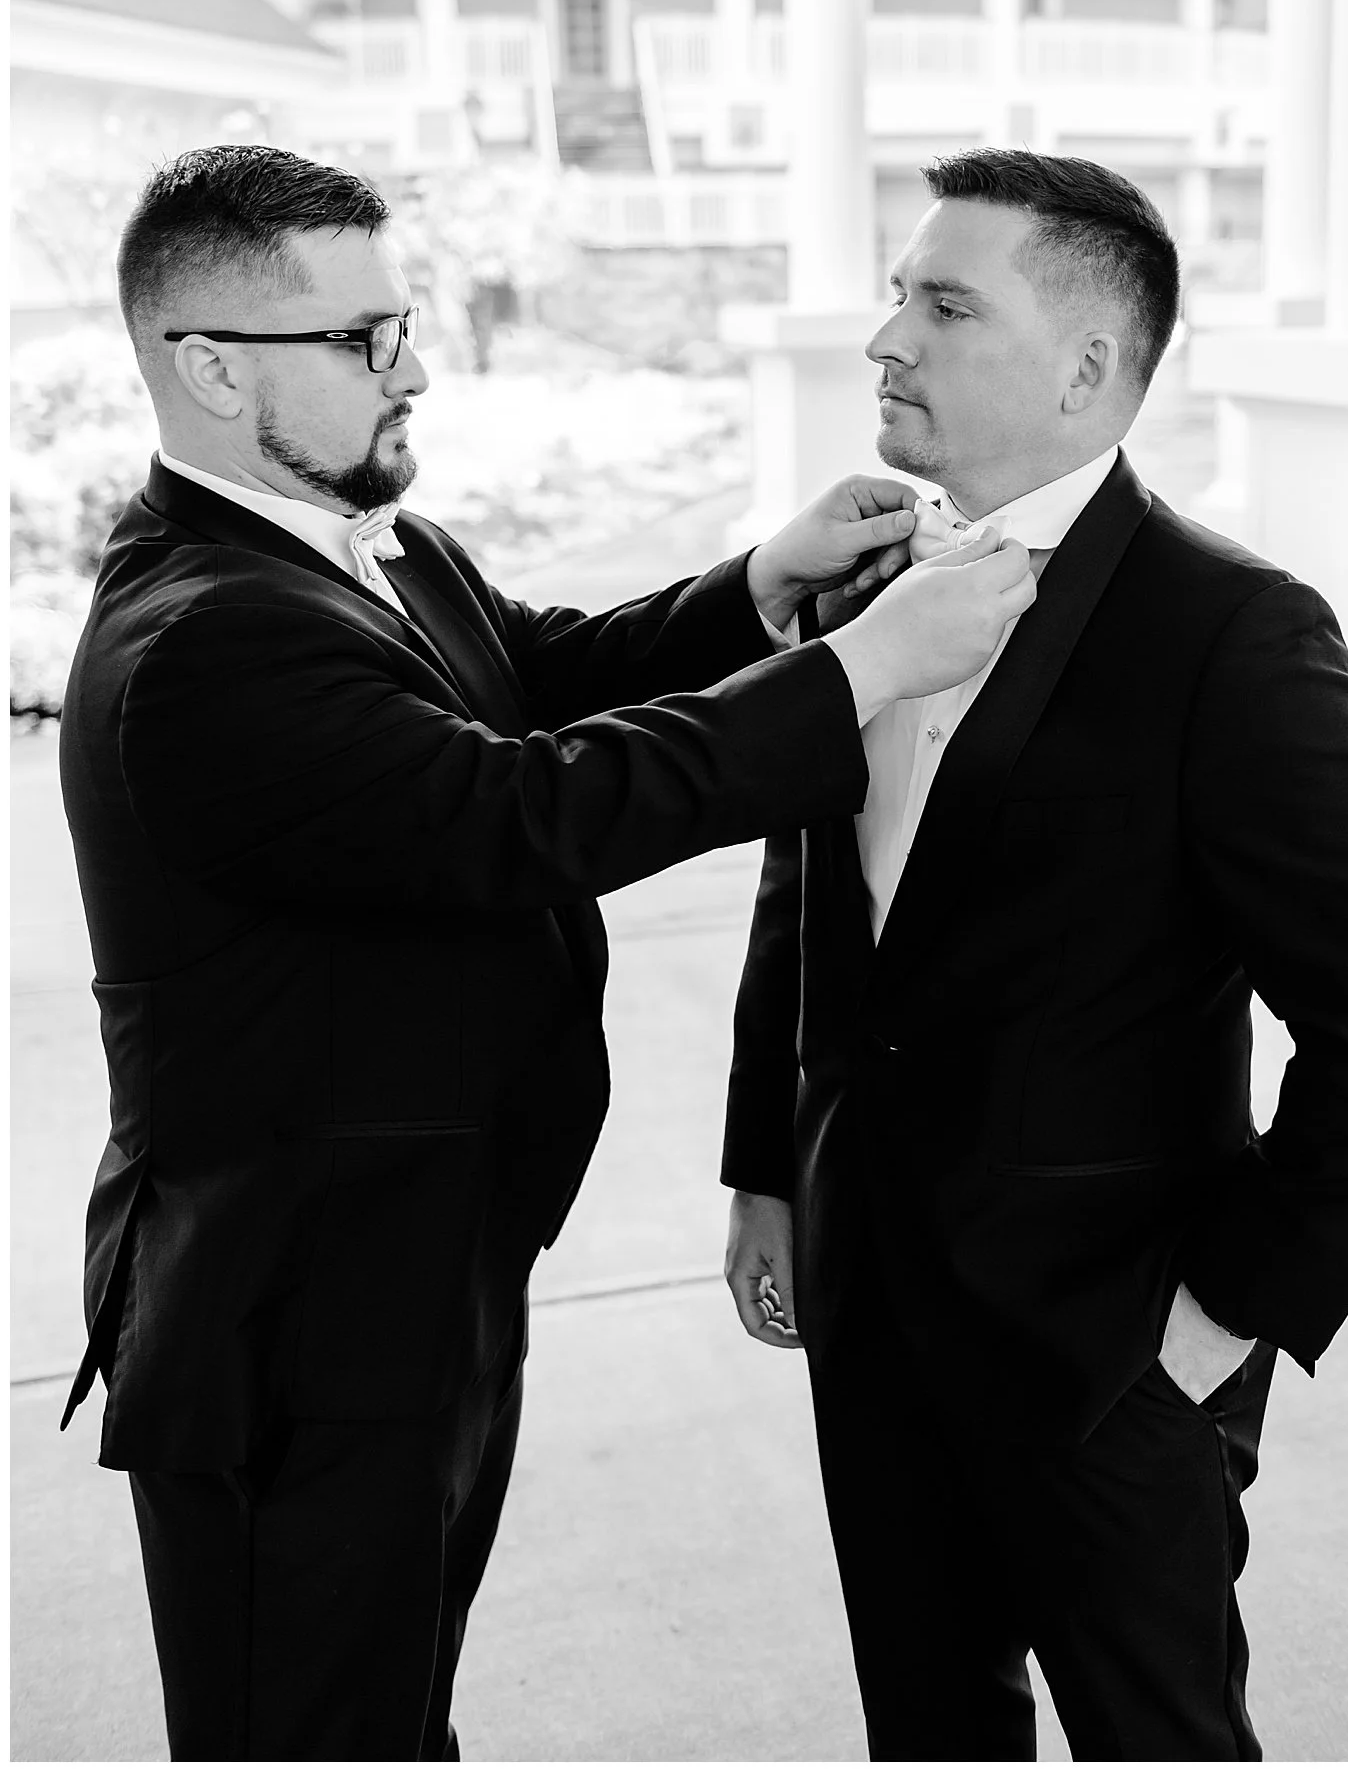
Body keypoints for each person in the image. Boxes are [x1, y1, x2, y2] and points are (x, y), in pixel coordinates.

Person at [57, 142, 1038, 1762]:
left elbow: (541, 677)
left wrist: (760, 587)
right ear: (213, 368)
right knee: (309, 1734)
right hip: (295, 1321)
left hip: (416, 1276)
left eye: (407, 324)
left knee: (395, 1714)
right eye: (366, 339)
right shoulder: (203, 642)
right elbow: (521, 811)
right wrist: (861, 671)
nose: (414, 370)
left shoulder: (369, 543)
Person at [721, 148, 1348, 1763]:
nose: (886, 339)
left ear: (1085, 367)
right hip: (871, 1296)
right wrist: (767, 1173)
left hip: (1111, 1351)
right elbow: (808, 898)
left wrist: (1218, 1324)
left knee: (1160, 1737)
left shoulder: (1233, 632)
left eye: (944, 306)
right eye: (896, 297)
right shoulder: (864, 575)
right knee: (927, 1730)